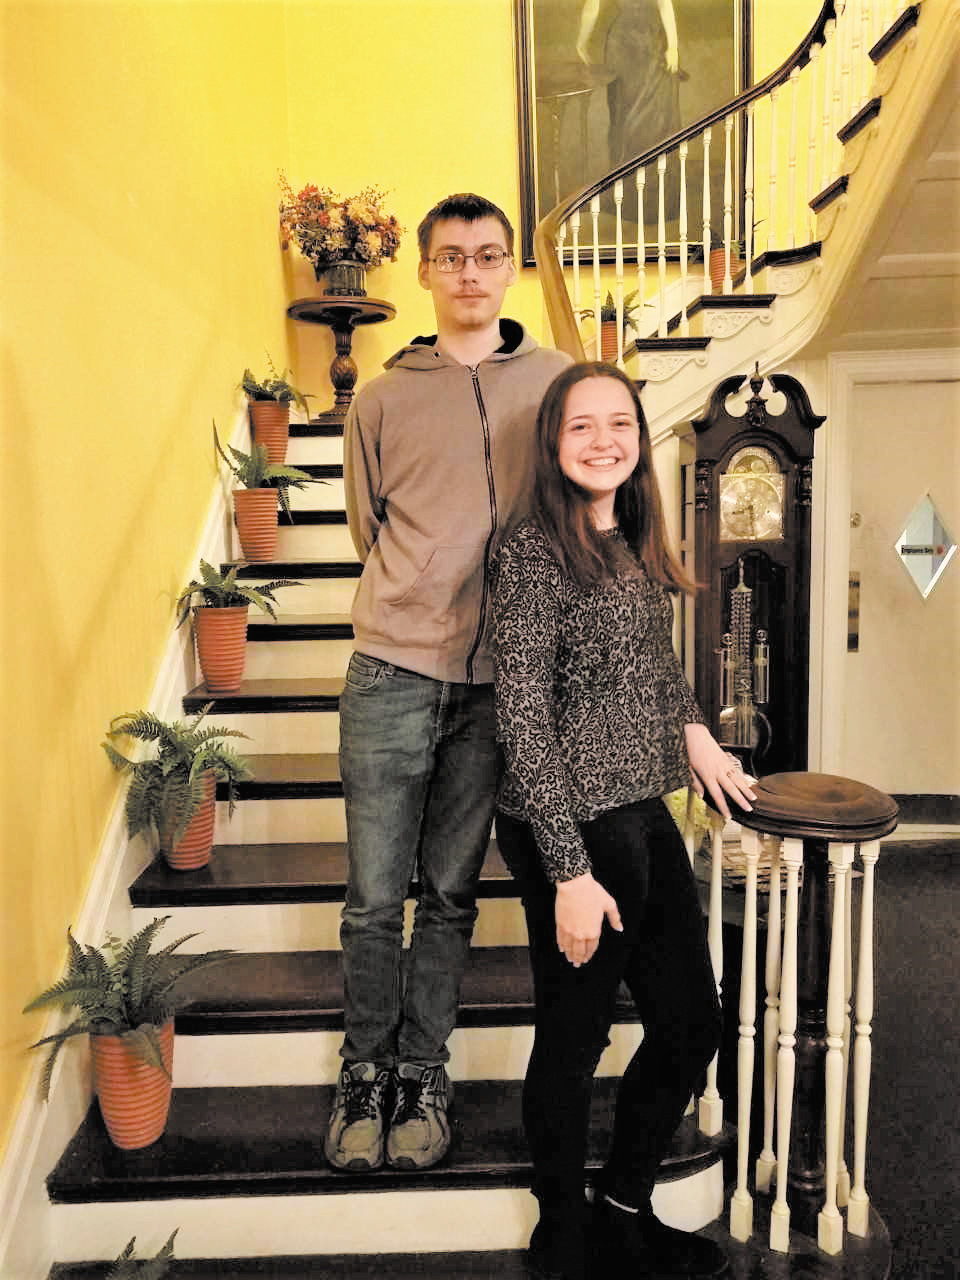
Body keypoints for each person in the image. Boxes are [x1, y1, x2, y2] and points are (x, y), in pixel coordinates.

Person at [492, 361, 755, 1279]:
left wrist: (696, 733)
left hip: (641, 808)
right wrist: (568, 872)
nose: (603, 441)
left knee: (691, 1026)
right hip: (572, 825)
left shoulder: (632, 534)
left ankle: (620, 1211)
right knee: (576, 1039)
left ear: (639, 441)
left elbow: (652, 661)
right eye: (582, 426)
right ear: (553, 443)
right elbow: (522, 715)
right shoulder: (531, 552)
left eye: (620, 424)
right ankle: (561, 1237)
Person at [327, 193, 572, 1175]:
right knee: (372, 899)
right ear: (424, 271)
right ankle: (363, 1073)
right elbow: (367, 525)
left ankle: (423, 1073)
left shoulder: (554, 382)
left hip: (495, 686)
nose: (470, 272)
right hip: (391, 673)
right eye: (451, 257)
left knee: (451, 894)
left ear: (509, 268)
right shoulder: (381, 398)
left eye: (488, 255)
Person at [577, 0, 681, 167]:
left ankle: (643, 175)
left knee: (645, 114)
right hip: (630, 45)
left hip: (646, 43)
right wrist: (581, 43)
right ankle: (629, 176)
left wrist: (673, 46)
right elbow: (592, 5)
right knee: (624, 113)